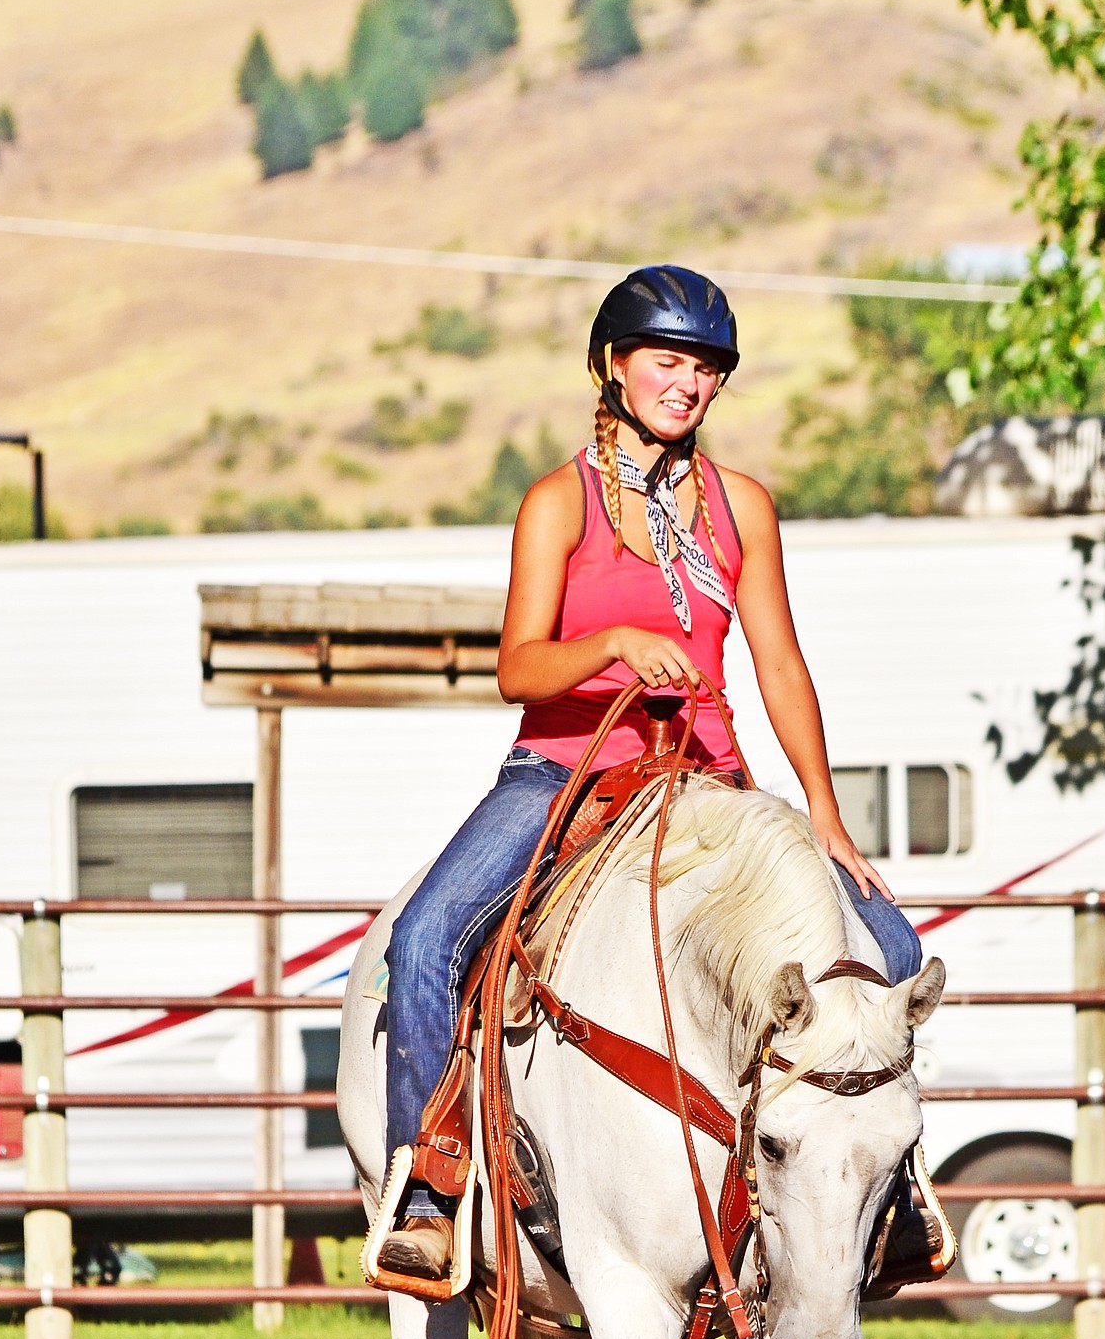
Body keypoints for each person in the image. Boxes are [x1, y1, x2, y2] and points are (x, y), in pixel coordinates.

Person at [379, 265, 922, 1281]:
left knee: (886, 942)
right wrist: (616, 642)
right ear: (612, 366)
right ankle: (434, 1182)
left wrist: (825, 817)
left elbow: (778, 663)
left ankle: (895, 1190)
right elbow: (517, 667)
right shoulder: (558, 502)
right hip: (565, 774)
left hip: (705, 782)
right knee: (423, 939)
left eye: (708, 369)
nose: (690, 384)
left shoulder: (740, 505)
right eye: (669, 361)